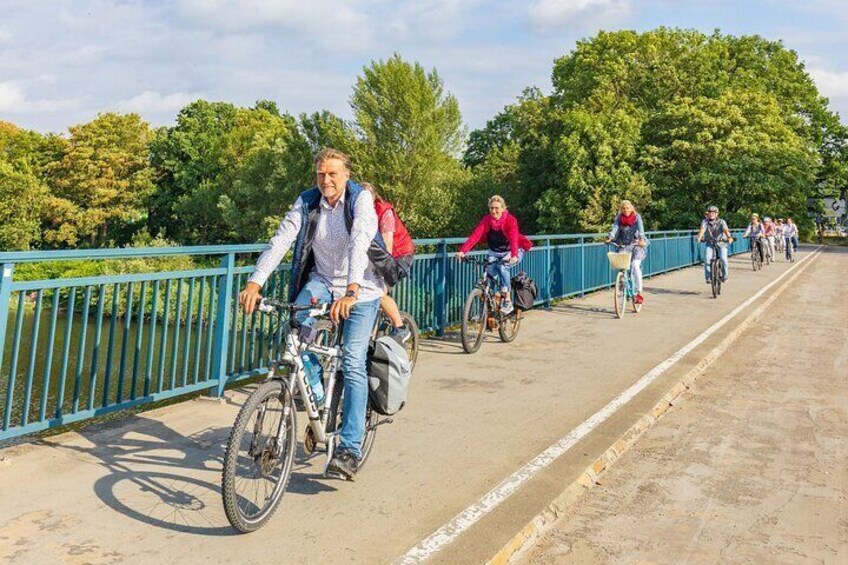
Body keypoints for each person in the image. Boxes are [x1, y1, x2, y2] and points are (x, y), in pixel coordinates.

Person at [238, 147, 384, 480]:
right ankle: (317, 392)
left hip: (360, 289)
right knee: (295, 331)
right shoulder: (306, 201)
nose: (326, 180)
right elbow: (281, 240)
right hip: (321, 283)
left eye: (333, 174)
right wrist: (255, 282)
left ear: (346, 174)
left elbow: (359, 242)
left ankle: (349, 448)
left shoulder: (359, 200)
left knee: (351, 360)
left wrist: (351, 290)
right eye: (321, 174)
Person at [456, 195, 532, 315]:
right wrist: (463, 251)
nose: (494, 211)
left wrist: (514, 255)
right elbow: (476, 235)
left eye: (497, 208)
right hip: (494, 251)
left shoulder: (510, 220)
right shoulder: (487, 220)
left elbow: (513, 238)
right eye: (491, 208)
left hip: (512, 250)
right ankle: (486, 309)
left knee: (502, 267)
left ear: (503, 208)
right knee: (487, 276)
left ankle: (507, 300)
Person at [361, 182, 414, 344]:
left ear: (373, 197)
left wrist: (379, 274)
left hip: (399, 256)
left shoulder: (384, 213)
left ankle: (400, 328)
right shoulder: (358, 212)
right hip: (376, 257)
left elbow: (387, 248)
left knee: (379, 292)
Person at [605, 200, 649, 304]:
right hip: (624, 244)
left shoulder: (636, 217)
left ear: (631, 208)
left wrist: (641, 239)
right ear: (621, 209)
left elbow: (641, 229)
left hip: (636, 244)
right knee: (622, 265)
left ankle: (639, 293)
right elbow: (615, 228)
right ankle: (621, 282)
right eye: (624, 208)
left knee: (634, 265)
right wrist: (609, 238)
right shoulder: (619, 218)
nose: (626, 210)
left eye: (628, 208)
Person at [697, 205, 734, 283]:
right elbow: (702, 230)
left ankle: (725, 276)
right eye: (709, 212)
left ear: (716, 214)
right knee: (707, 259)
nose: (711, 214)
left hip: (721, 243)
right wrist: (699, 238)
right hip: (710, 243)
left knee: (723, 259)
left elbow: (725, 230)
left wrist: (729, 237)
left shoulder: (721, 221)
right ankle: (708, 277)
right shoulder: (705, 221)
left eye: (713, 213)